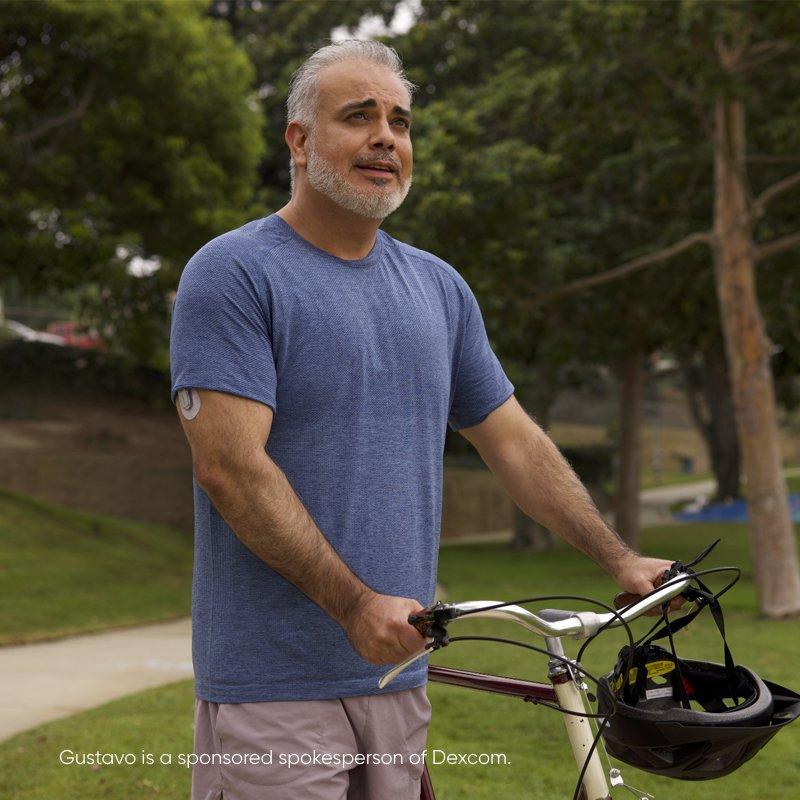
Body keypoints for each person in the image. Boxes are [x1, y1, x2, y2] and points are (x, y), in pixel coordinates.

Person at [170, 39, 677, 800]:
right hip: (275, 685)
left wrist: (618, 559)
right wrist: (354, 604)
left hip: (399, 673)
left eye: (400, 122)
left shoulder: (438, 289)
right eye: (359, 116)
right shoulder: (236, 274)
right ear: (300, 142)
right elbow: (231, 467)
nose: (386, 137)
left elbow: (513, 442)